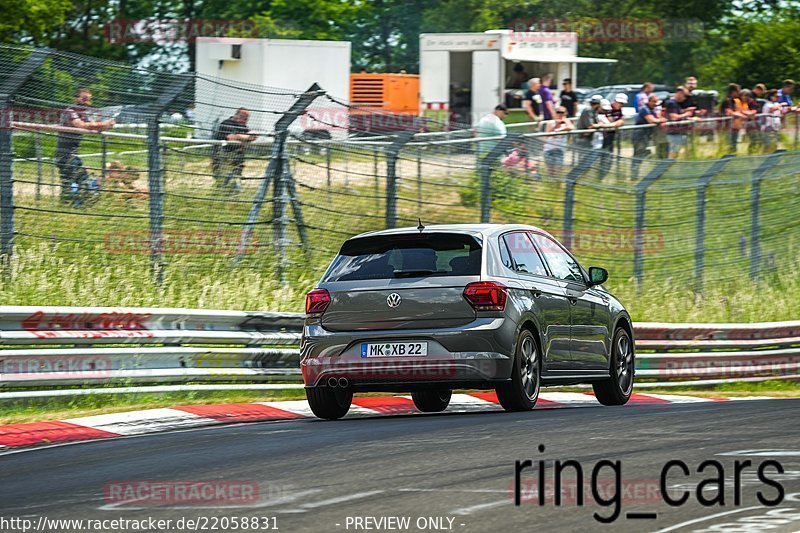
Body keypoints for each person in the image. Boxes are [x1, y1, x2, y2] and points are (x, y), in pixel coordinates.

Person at [55, 88, 115, 204]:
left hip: (72, 154)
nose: (87, 103)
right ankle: (81, 204)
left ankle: (67, 204)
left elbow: (91, 126)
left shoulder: (83, 114)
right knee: (82, 178)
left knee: (67, 182)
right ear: (76, 99)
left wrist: (105, 126)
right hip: (65, 155)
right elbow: (81, 125)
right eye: (84, 99)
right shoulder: (70, 112)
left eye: (89, 100)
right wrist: (103, 124)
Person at [212, 108, 257, 192]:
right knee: (224, 180)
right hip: (223, 158)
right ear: (236, 115)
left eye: (246, 118)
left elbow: (253, 136)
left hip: (237, 160)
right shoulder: (227, 123)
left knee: (234, 180)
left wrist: (250, 134)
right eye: (242, 117)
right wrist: (245, 137)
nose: (243, 120)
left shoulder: (243, 126)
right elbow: (232, 137)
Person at [631, 94, 667, 179]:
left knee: (641, 154)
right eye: (654, 102)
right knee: (638, 156)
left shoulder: (652, 110)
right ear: (649, 101)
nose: (655, 104)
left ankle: (636, 174)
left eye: (656, 102)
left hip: (645, 136)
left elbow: (658, 117)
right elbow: (652, 120)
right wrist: (661, 120)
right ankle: (634, 176)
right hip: (639, 135)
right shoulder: (645, 109)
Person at [665, 87, 696, 159]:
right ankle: (666, 168)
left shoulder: (676, 104)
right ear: (679, 94)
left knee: (683, 152)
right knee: (673, 153)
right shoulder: (671, 103)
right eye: (685, 96)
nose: (685, 99)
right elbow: (673, 117)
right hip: (673, 133)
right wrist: (686, 114)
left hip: (680, 132)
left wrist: (686, 112)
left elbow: (678, 114)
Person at [542, 105, 574, 176]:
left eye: (562, 112)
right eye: (558, 112)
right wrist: (557, 125)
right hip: (549, 149)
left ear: (565, 113)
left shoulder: (566, 122)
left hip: (560, 150)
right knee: (550, 172)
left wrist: (561, 128)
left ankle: (557, 185)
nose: (560, 114)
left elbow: (571, 127)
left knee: (558, 170)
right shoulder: (550, 122)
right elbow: (547, 135)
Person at [575, 95, 603, 162]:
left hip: (589, 139)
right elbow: (590, 126)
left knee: (588, 162)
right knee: (584, 162)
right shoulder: (588, 110)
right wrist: (600, 125)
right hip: (583, 139)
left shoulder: (594, 111)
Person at [720, 83, 745, 154]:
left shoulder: (734, 101)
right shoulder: (727, 100)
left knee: (734, 144)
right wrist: (741, 115)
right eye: (738, 91)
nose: (739, 93)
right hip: (727, 126)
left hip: (734, 126)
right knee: (728, 144)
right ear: (733, 91)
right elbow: (728, 112)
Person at [738, 89, 760, 153]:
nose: (745, 97)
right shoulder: (738, 102)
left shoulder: (751, 102)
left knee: (755, 139)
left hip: (750, 123)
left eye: (747, 96)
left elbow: (754, 111)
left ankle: (752, 152)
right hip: (740, 123)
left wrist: (743, 112)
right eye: (743, 96)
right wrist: (746, 113)